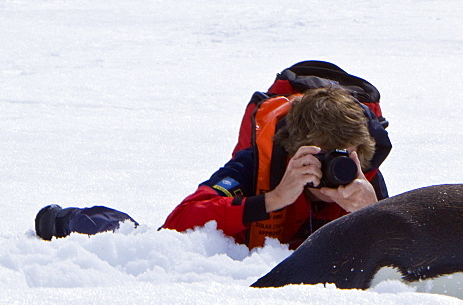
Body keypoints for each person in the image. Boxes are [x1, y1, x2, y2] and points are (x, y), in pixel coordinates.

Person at [35, 86, 389, 249]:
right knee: (146, 238)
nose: (332, 167)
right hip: (236, 252)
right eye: (319, 155)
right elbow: (178, 223)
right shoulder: (256, 165)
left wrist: (374, 214)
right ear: (294, 150)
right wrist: (273, 199)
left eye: (341, 155)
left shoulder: (363, 178)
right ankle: (76, 219)